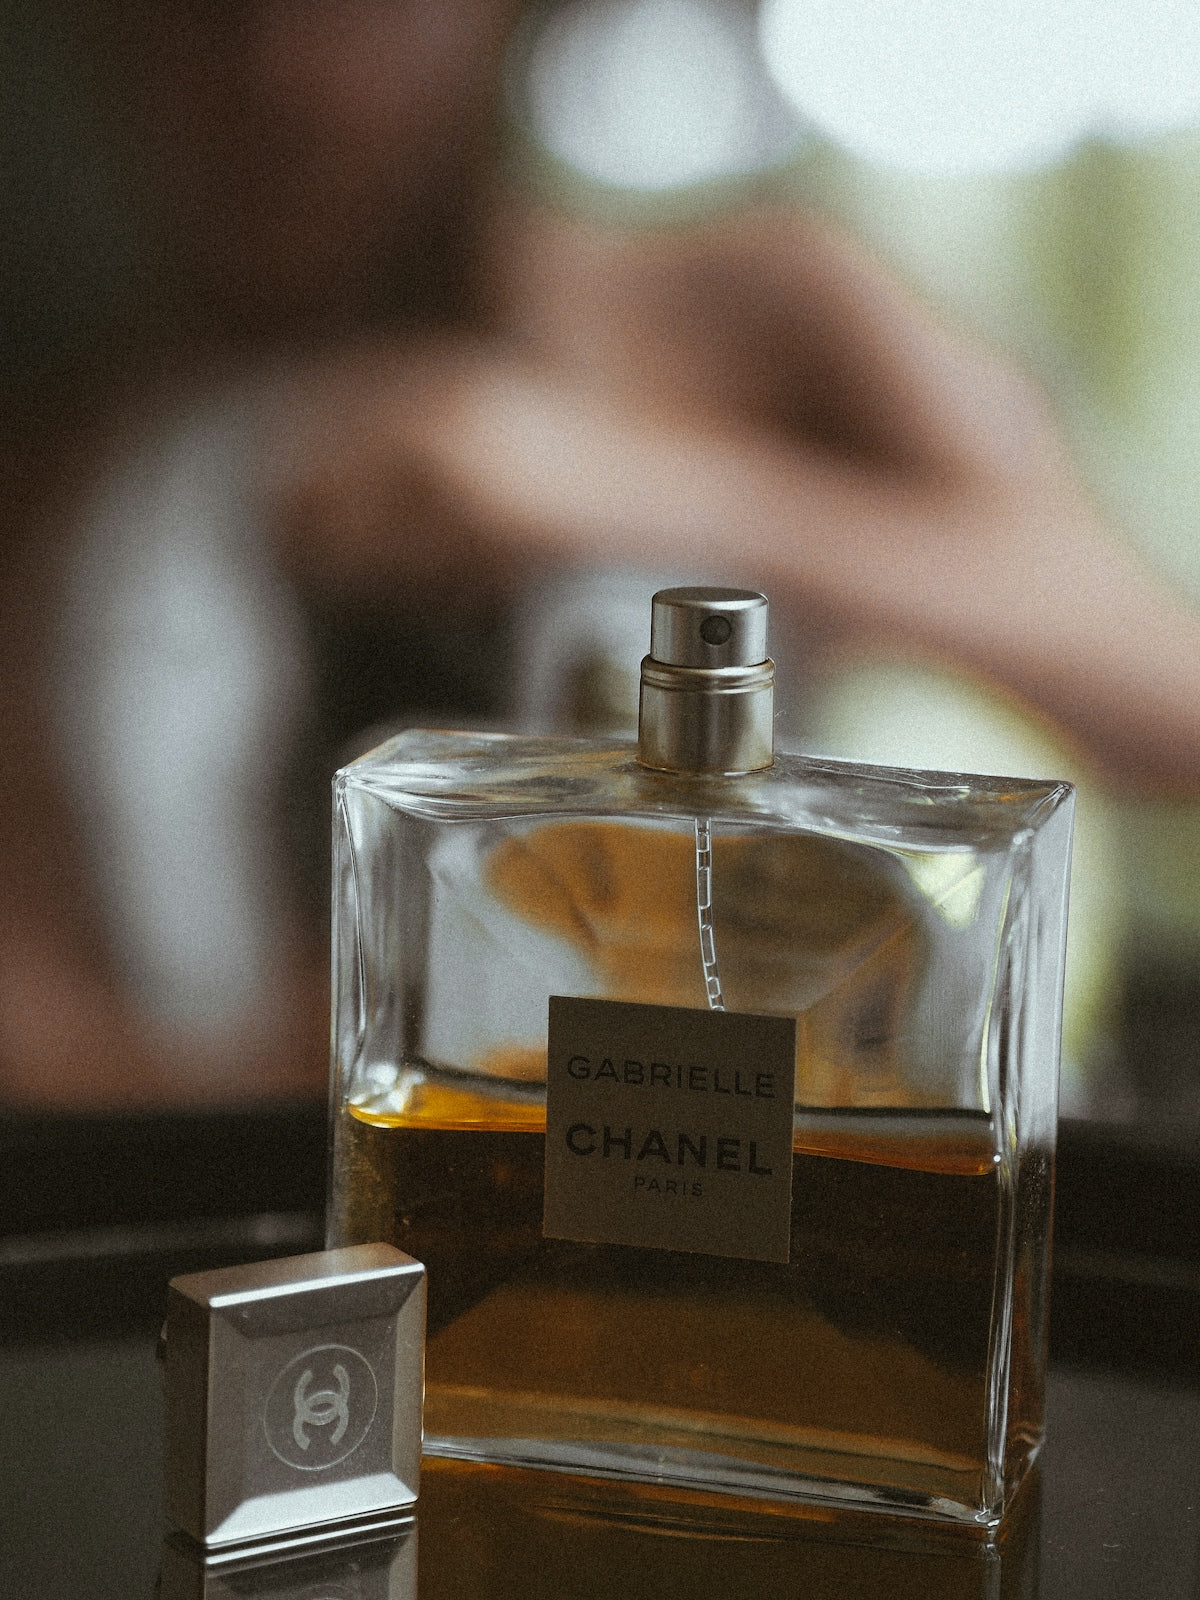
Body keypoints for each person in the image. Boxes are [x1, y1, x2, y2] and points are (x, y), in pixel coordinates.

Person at [4, 0, 1199, 1108]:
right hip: (342, 1189)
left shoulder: (748, 306)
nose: (281, 73)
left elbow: (1165, 695)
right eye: (203, 23)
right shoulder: (82, 456)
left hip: (757, 1153)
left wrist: (617, 486)